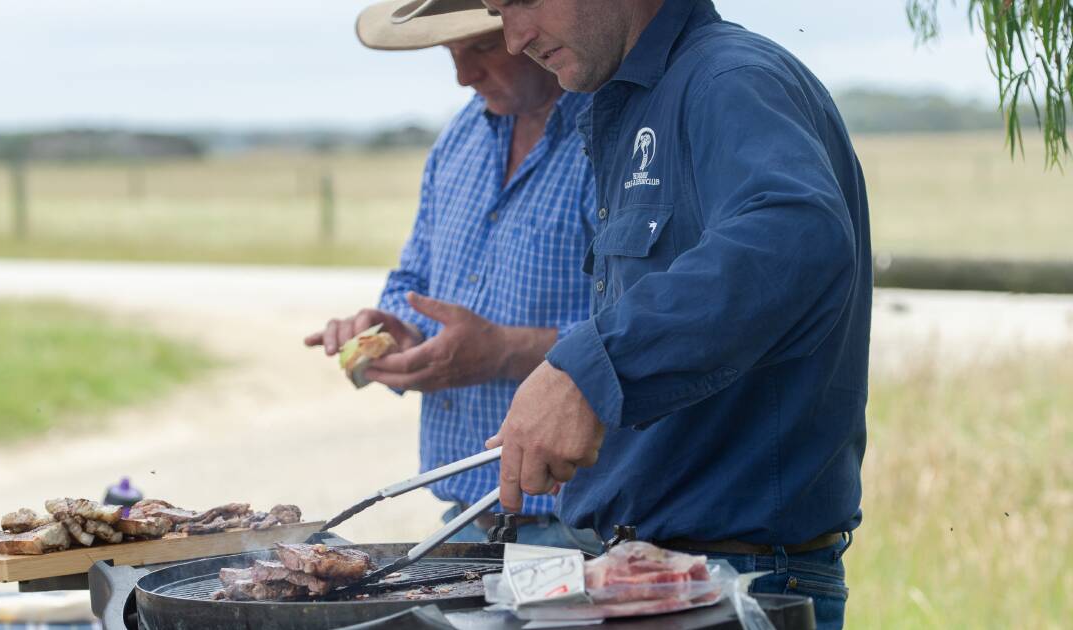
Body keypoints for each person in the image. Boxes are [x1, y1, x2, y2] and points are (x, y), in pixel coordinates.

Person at [458, 1, 872, 627]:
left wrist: (588, 375)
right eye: (497, 11)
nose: (514, 40)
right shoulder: (633, 104)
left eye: (524, 0)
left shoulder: (728, 80)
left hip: (734, 583)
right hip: (650, 572)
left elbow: (796, 240)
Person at [305, 0, 601, 553]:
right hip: (465, 512)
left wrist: (505, 351)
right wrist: (398, 328)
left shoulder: (612, 140)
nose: (464, 76)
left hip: (582, 524)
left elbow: (653, 327)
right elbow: (412, 276)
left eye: (483, 47)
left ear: (532, 31)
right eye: (452, 53)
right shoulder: (461, 136)